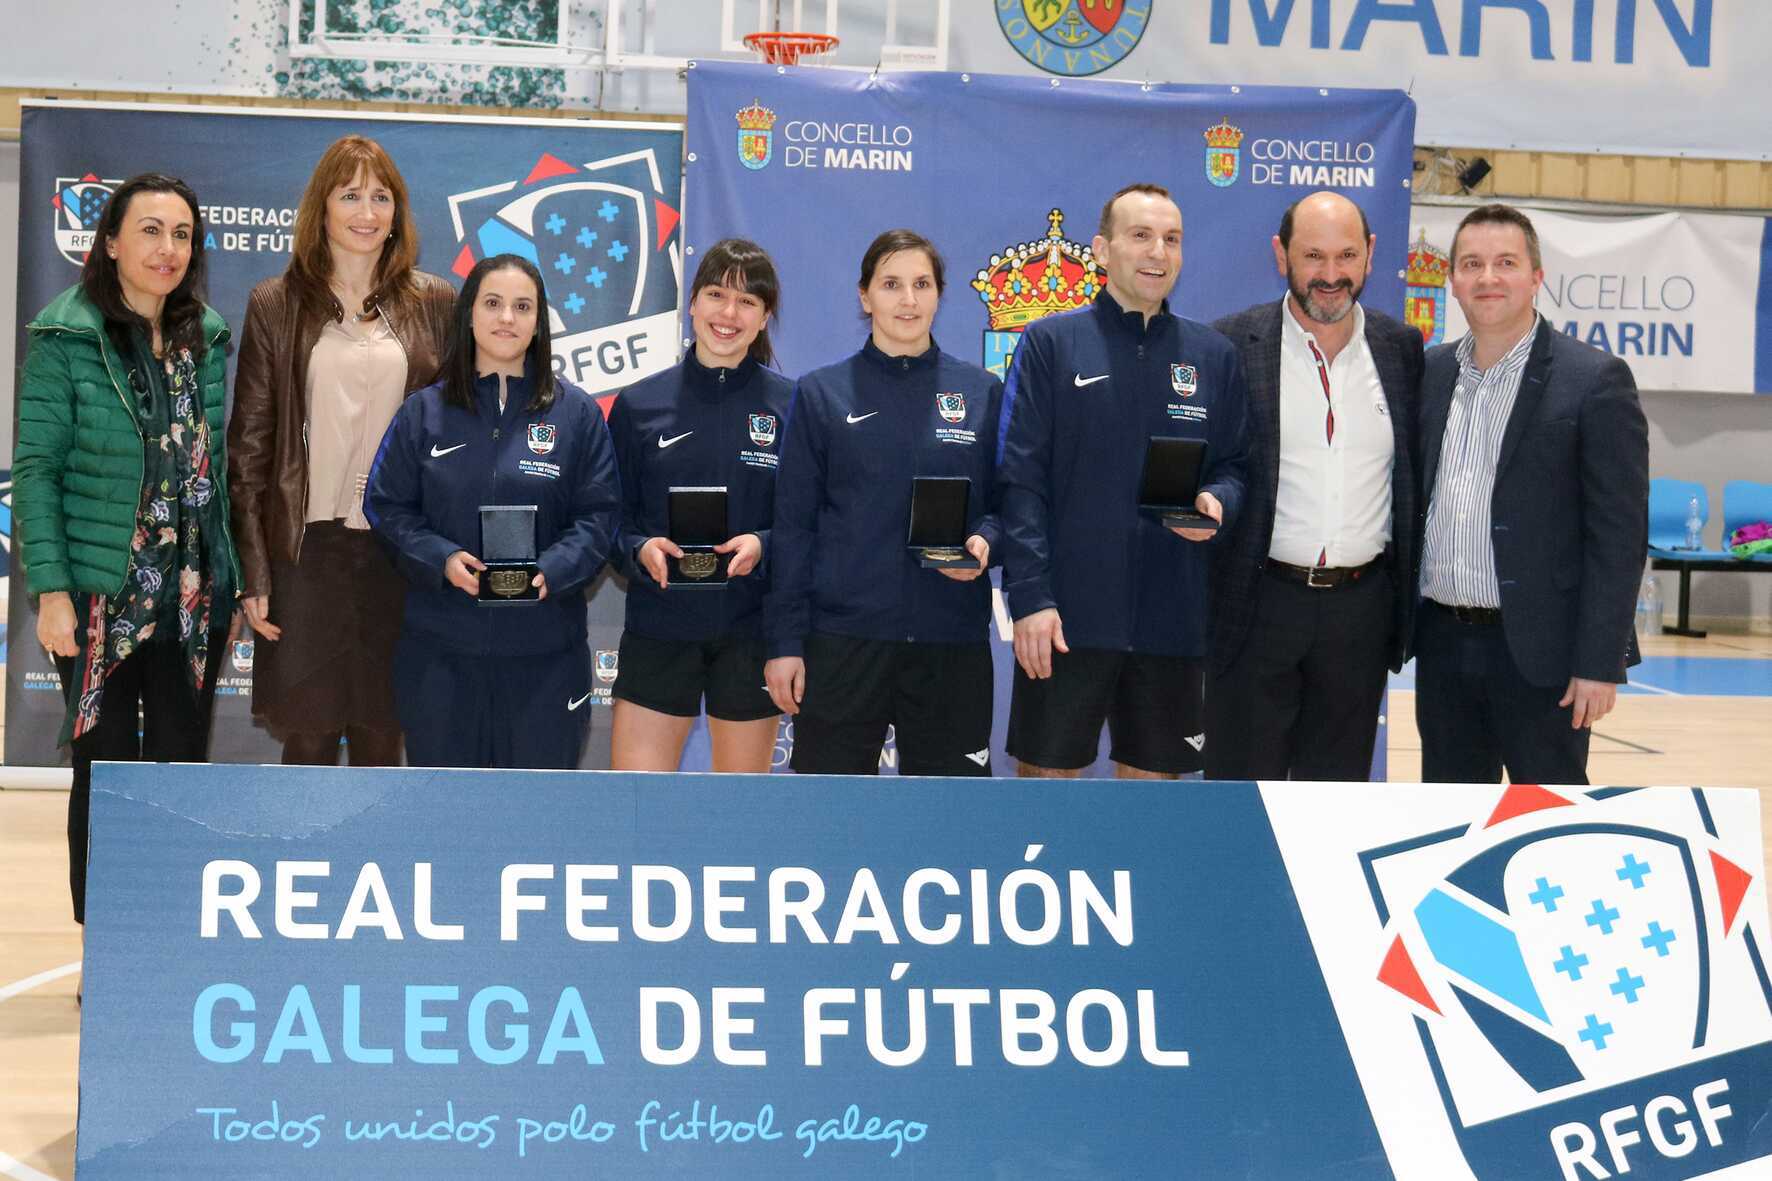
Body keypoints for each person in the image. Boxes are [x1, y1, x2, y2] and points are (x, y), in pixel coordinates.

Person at [14, 173, 239, 924]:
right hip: (98, 595)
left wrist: (232, 579)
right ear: (110, 242)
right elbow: (37, 470)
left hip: (191, 597)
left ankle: (171, 930)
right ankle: (106, 939)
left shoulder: (205, 336)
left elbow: (214, 469)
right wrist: (51, 591)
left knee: (179, 768)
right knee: (104, 769)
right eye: (149, 230)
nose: (167, 248)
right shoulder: (67, 335)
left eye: (181, 234)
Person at [996, 183, 1248, 779]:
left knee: (1154, 813)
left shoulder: (1213, 355)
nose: (1158, 252)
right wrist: (1031, 598)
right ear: (1102, 250)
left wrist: (1218, 501)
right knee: (1045, 799)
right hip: (1065, 621)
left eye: (1172, 239)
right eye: (1141, 236)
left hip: (1172, 620)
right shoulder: (1050, 343)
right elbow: (1019, 480)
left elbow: (1237, 466)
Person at [227, 135, 455, 767]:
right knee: (309, 734)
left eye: (381, 197)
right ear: (321, 208)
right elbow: (248, 449)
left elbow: (455, 439)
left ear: (398, 212)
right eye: (350, 195)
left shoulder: (436, 301)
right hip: (307, 553)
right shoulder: (275, 303)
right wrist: (254, 570)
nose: (366, 211)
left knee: (385, 733)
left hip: (398, 550)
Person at [1415, 203, 1648, 785]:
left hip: (1546, 658)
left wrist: (1600, 662)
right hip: (1443, 646)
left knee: (1547, 823)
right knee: (1450, 822)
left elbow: (1619, 537)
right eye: (1472, 264)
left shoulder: (1593, 379)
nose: (1487, 278)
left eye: (1505, 263)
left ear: (1536, 277)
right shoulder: (1430, 372)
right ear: (1453, 280)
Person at [365, 254, 620, 769]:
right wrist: (441, 559)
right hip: (441, 653)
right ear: (469, 314)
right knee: (446, 806)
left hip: (546, 656)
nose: (507, 318)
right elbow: (386, 507)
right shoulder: (423, 413)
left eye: (523, 307)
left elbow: (599, 517)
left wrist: (553, 570)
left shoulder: (577, 414)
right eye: (493, 303)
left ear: (539, 322)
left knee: (535, 807)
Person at [763, 229, 1002, 775]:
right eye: (891, 284)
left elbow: (1009, 507)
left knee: (952, 813)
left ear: (940, 295)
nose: (908, 300)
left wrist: (987, 541)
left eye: (922, 284)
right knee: (832, 815)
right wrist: (785, 642)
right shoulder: (822, 393)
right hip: (844, 643)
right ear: (865, 296)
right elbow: (794, 528)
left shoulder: (982, 391)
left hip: (950, 641)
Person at [1206, 192, 1424, 781]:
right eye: (1313, 256)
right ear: (1281, 255)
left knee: (1337, 799)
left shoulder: (1402, 349)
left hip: (1361, 613)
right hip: (1257, 606)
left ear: (1370, 254)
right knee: (1240, 797)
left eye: (1346, 255)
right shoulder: (1229, 345)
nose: (1331, 275)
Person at [606, 239, 791, 772]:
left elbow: (809, 520)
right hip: (660, 625)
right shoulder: (639, 404)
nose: (728, 314)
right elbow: (607, 520)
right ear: (692, 303)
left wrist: (764, 544)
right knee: (638, 804)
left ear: (764, 317)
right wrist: (640, 548)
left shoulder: (793, 406)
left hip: (750, 629)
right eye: (716, 295)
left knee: (739, 808)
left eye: (747, 301)